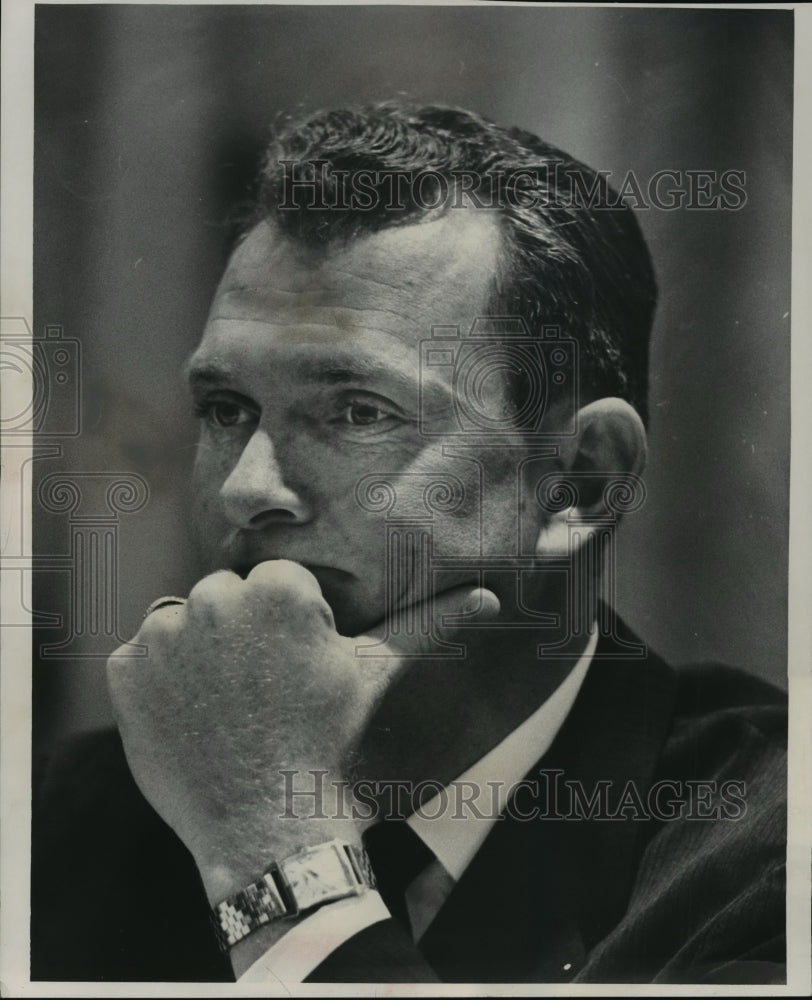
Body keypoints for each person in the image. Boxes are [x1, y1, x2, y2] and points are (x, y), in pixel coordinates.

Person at [31, 103, 786, 985]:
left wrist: (273, 849)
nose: (245, 488)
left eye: (357, 412)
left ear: (576, 483)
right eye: (228, 410)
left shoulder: (771, 855)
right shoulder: (52, 825)